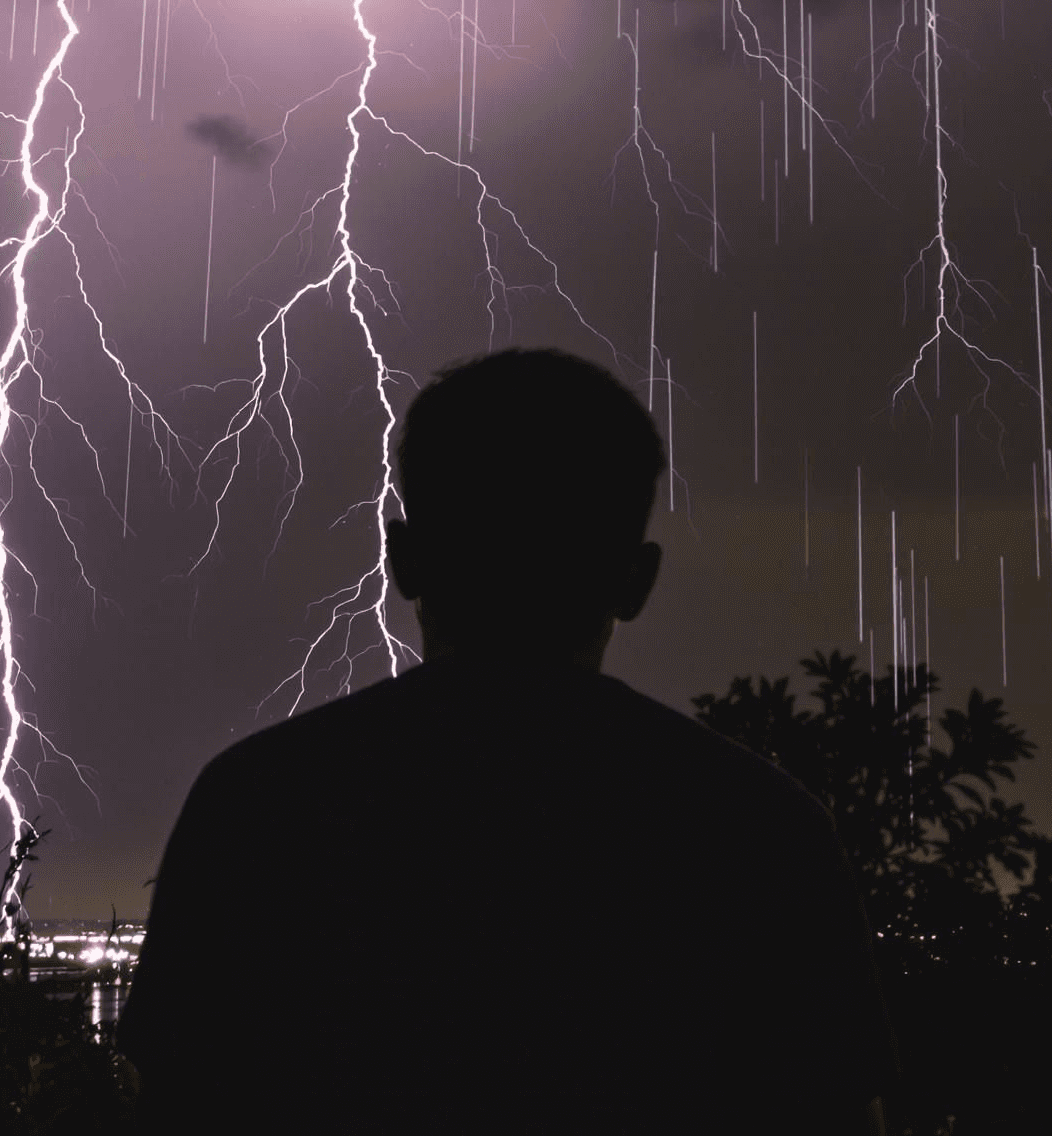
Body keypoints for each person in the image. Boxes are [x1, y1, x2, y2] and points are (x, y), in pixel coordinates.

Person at [118, 348, 894, 1132]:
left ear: (403, 559)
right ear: (637, 578)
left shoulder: (258, 808)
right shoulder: (758, 828)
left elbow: (179, 1108)